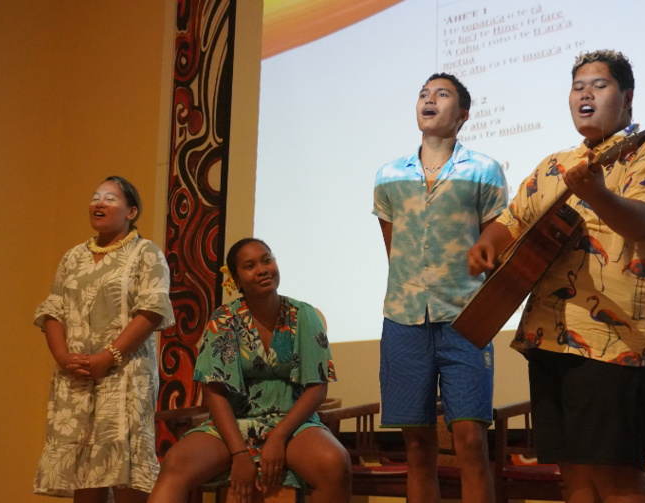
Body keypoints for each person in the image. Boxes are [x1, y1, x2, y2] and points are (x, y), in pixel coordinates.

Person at [468, 50, 645, 503]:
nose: (585, 94)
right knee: (575, 481)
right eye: (577, 87)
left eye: (599, 85)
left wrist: (597, 194)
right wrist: (487, 244)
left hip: (621, 342)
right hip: (549, 337)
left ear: (627, 97)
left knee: (617, 480)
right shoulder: (556, 164)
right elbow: (511, 221)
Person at [372, 72, 508, 503]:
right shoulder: (389, 175)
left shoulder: (484, 169)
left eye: (442, 95)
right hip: (404, 318)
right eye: (424, 94)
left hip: (466, 317)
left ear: (462, 114)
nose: (429, 100)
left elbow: (494, 244)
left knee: (469, 440)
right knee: (417, 447)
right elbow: (394, 247)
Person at [149, 238, 351, 503]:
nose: (263, 269)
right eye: (250, 266)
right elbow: (215, 392)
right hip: (233, 425)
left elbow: (317, 387)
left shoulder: (304, 315)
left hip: (293, 423)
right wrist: (239, 454)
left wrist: (278, 436)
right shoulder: (224, 319)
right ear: (236, 280)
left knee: (335, 463)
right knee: (175, 462)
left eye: (267, 260)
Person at [33, 176, 175, 502]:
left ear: (131, 212)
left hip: (125, 375)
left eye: (110, 198)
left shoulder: (146, 254)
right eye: (96, 197)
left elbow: (151, 311)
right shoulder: (73, 257)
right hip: (78, 377)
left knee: (125, 476)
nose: (99, 203)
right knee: (85, 476)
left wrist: (107, 358)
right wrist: (63, 357)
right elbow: (53, 311)